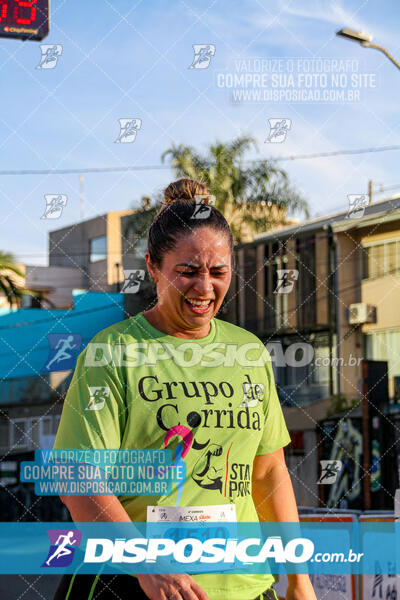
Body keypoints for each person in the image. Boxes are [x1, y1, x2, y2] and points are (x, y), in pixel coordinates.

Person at [53, 178, 316, 600]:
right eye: (188, 272)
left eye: (219, 272)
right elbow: (79, 479)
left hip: (245, 586)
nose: (205, 288)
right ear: (153, 267)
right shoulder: (113, 353)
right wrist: (146, 563)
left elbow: (267, 474)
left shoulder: (248, 352)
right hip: (132, 585)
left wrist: (298, 578)